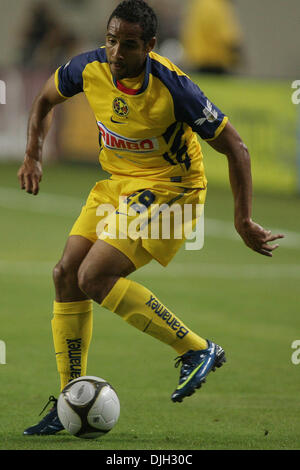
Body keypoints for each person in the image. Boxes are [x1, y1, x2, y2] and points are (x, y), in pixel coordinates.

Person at [18, 0, 283, 436]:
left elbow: (237, 148)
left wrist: (242, 220)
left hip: (171, 188)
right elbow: (44, 100)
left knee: (93, 276)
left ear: (150, 46)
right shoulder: (87, 69)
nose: (116, 53)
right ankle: (71, 397)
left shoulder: (175, 87)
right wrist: (33, 154)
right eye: (111, 41)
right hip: (119, 183)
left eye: (128, 45)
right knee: (66, 274)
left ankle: (197, 349)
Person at [181, 0, 243, 74]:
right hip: (214, 62)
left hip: (197, 61)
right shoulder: (217, 6)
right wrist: (238, 55)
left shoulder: (199, 4)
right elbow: (227, 37)